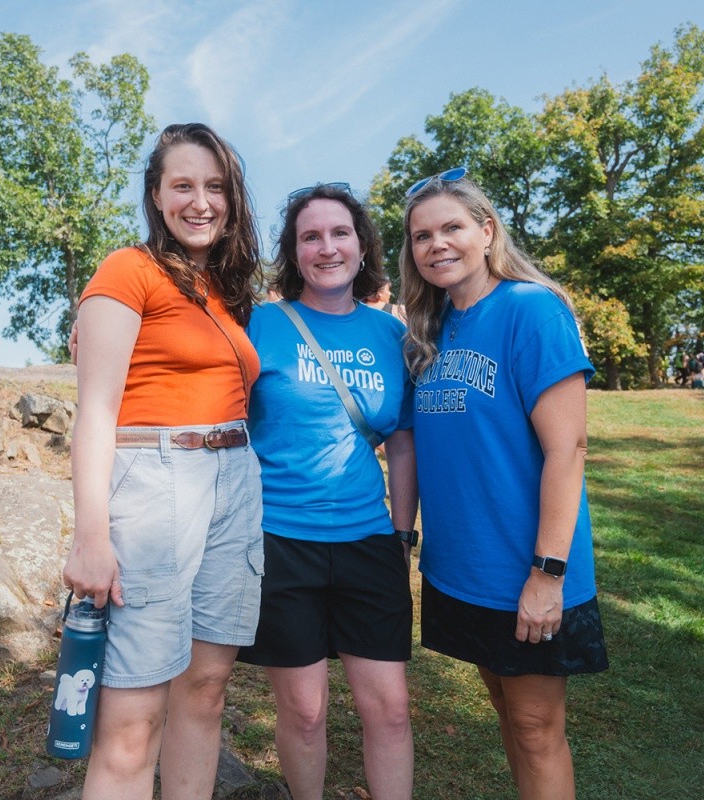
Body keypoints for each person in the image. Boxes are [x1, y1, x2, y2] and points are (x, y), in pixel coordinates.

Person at [62, 122, 266, 800]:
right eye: (183, 185)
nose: (200, 201)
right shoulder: (127, 269)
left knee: (205, 692)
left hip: (233, 481)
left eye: (215, 187)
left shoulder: (227, 293)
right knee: (131, 717)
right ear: (156, 196)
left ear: (232, 201)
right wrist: (90, 537)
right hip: (153, 482)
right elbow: (94, 412)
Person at [400, 169, 608, 800]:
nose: (436, 244)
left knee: (537, 726)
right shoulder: (431, 332)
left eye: (452, 228)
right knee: (509, 717)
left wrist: (547, 573)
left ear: (486, 232)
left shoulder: (531, 309)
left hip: (531, 567)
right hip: (463, 568)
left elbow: (567, 448)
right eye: (421, 235)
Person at [238, 183, 418, 800]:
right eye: (310, 236)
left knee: (390, 709)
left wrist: (403, 532)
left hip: (369, 539)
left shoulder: (392, 335)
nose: (327, 247)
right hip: (281, 543)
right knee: (306, 714)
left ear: (362, 245)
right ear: (294, 251)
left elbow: (401, 442)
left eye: (339, 233)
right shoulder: (260, 324)